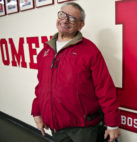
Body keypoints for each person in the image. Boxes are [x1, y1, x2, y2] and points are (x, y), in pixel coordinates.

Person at [31, 2, 121, 142]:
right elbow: (41, 86)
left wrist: (112, 123)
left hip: (83, 128)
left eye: (72, 18)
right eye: (62, 14)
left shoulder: (90, 50)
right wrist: (37, 112)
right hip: (56, 127)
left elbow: (105, 88)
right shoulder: (45, 51)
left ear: (81, 25)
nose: (65, 20)